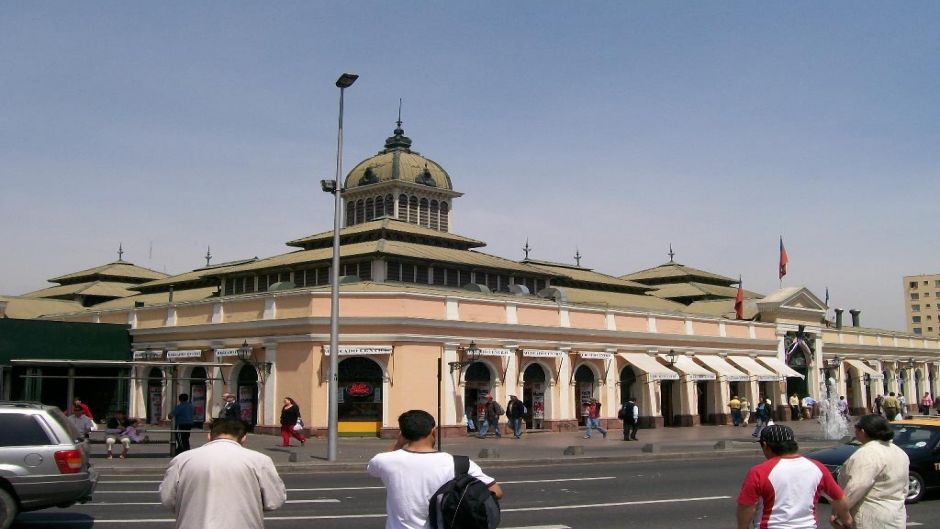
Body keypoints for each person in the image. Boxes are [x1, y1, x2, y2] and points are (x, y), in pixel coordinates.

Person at [367, 409, 503, 529]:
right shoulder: (458, 464)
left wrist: (400, 442)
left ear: (403, 434)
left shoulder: (385, 461)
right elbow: (496, 491)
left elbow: (374, 466)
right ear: (433, 431)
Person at [159, 420, 286, 529]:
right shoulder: (259, 460)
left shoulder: (182, 459)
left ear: (209, 436)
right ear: (244, 438)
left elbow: (168, 499)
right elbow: (274, 501)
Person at [736, 424, 852, 529]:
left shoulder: (759, 472)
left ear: (765, 445)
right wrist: (846, 519)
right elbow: (839, 499)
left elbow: (747, 506)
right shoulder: (817, 468)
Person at [838, 414, 908, 529]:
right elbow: (904, 488)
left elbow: (856, 486)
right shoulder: (899, 452)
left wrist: (840, 512)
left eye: (856, 429)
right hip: (895, 514)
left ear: (863, 431)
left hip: (870, 516)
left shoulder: (866, 453)